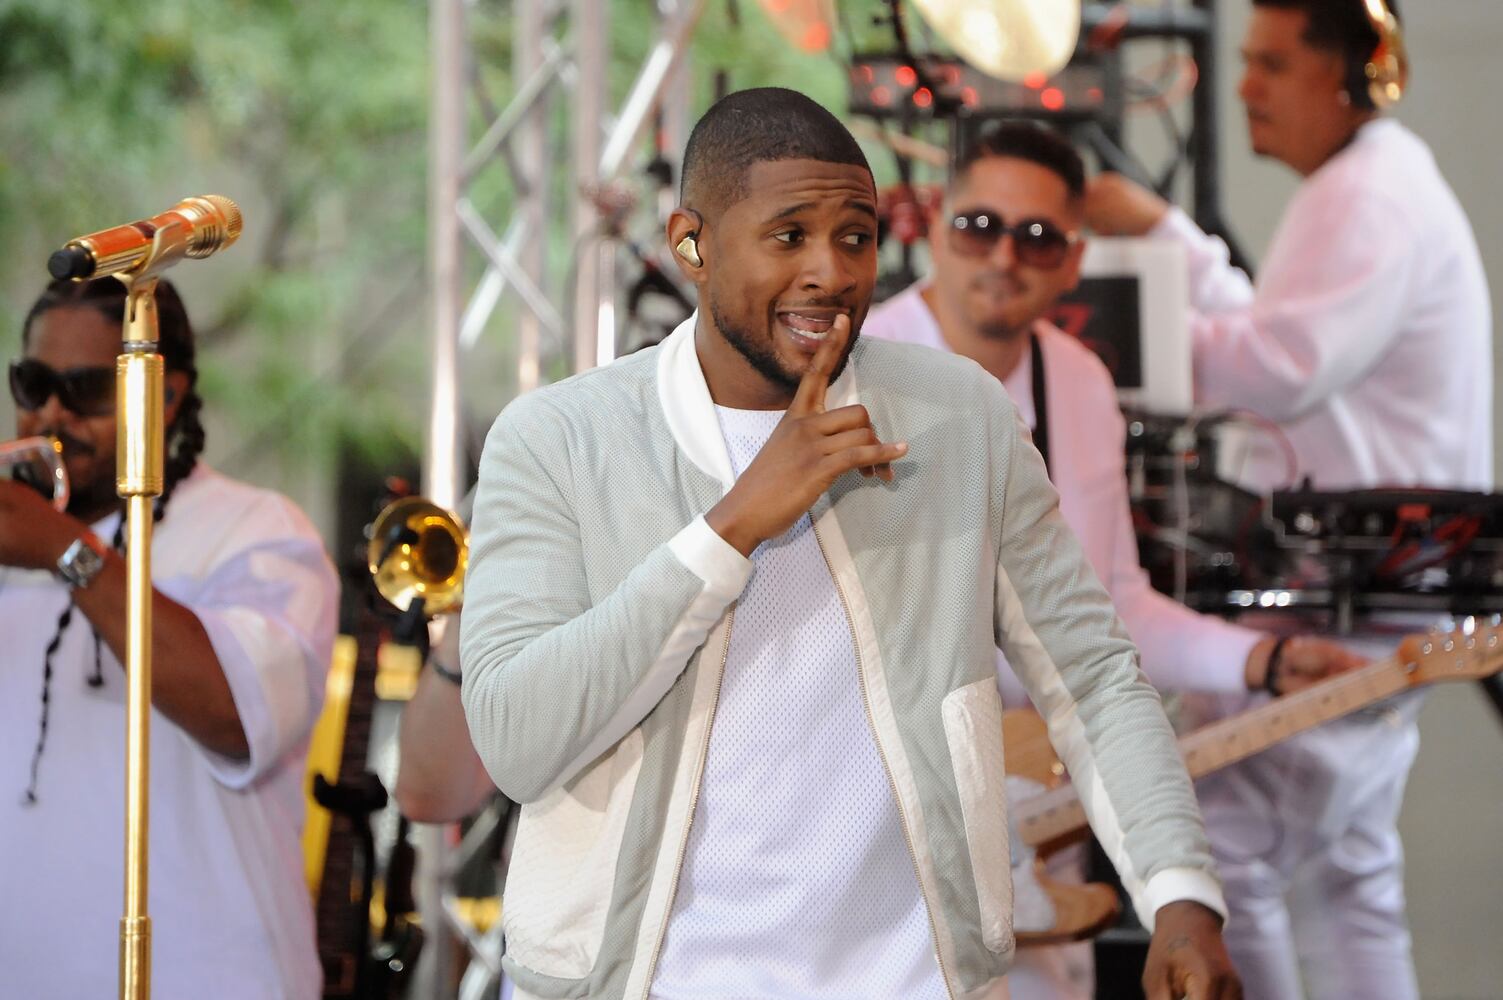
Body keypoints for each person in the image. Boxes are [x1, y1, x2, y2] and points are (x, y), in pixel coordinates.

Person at [460, 87, 1241, 1000]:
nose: (830, 272)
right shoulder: (560, 439)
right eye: (789, 235)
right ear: (692, 244)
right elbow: (517, 740)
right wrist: (732, 526)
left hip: (910, 979)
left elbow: (1094, 678)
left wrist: (1179, 892)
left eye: (856, 237)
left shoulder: (958, 418)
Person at [861, 121, 1365, 1000]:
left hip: (1035, 812)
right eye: (979, 226)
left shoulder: (1078, 382)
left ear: (1071, 262)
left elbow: (1110, 607)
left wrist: (1262, 660)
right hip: (878, 814)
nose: (1003, 257)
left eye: (1036, 237)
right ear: (935, 224)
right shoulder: (856, 371)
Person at [1083, 2, 1492, 998]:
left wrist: (1090, 329)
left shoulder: (1367, 196)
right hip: (1380, 587)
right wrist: (1166, 233)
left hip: (1348, 596)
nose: (1244, 87)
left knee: (1224, 836)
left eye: (1270, 64)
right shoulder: (1372, 184)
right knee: (1350, 873)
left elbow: (1277, 366)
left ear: (1346, 74)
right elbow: (1277, 333)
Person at [0, 278, 339, 998]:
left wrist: (63, 550)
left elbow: (236, 713)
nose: (52, 412)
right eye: (33, 384)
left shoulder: (257, 530)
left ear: (168, 396)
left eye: (87, 389)